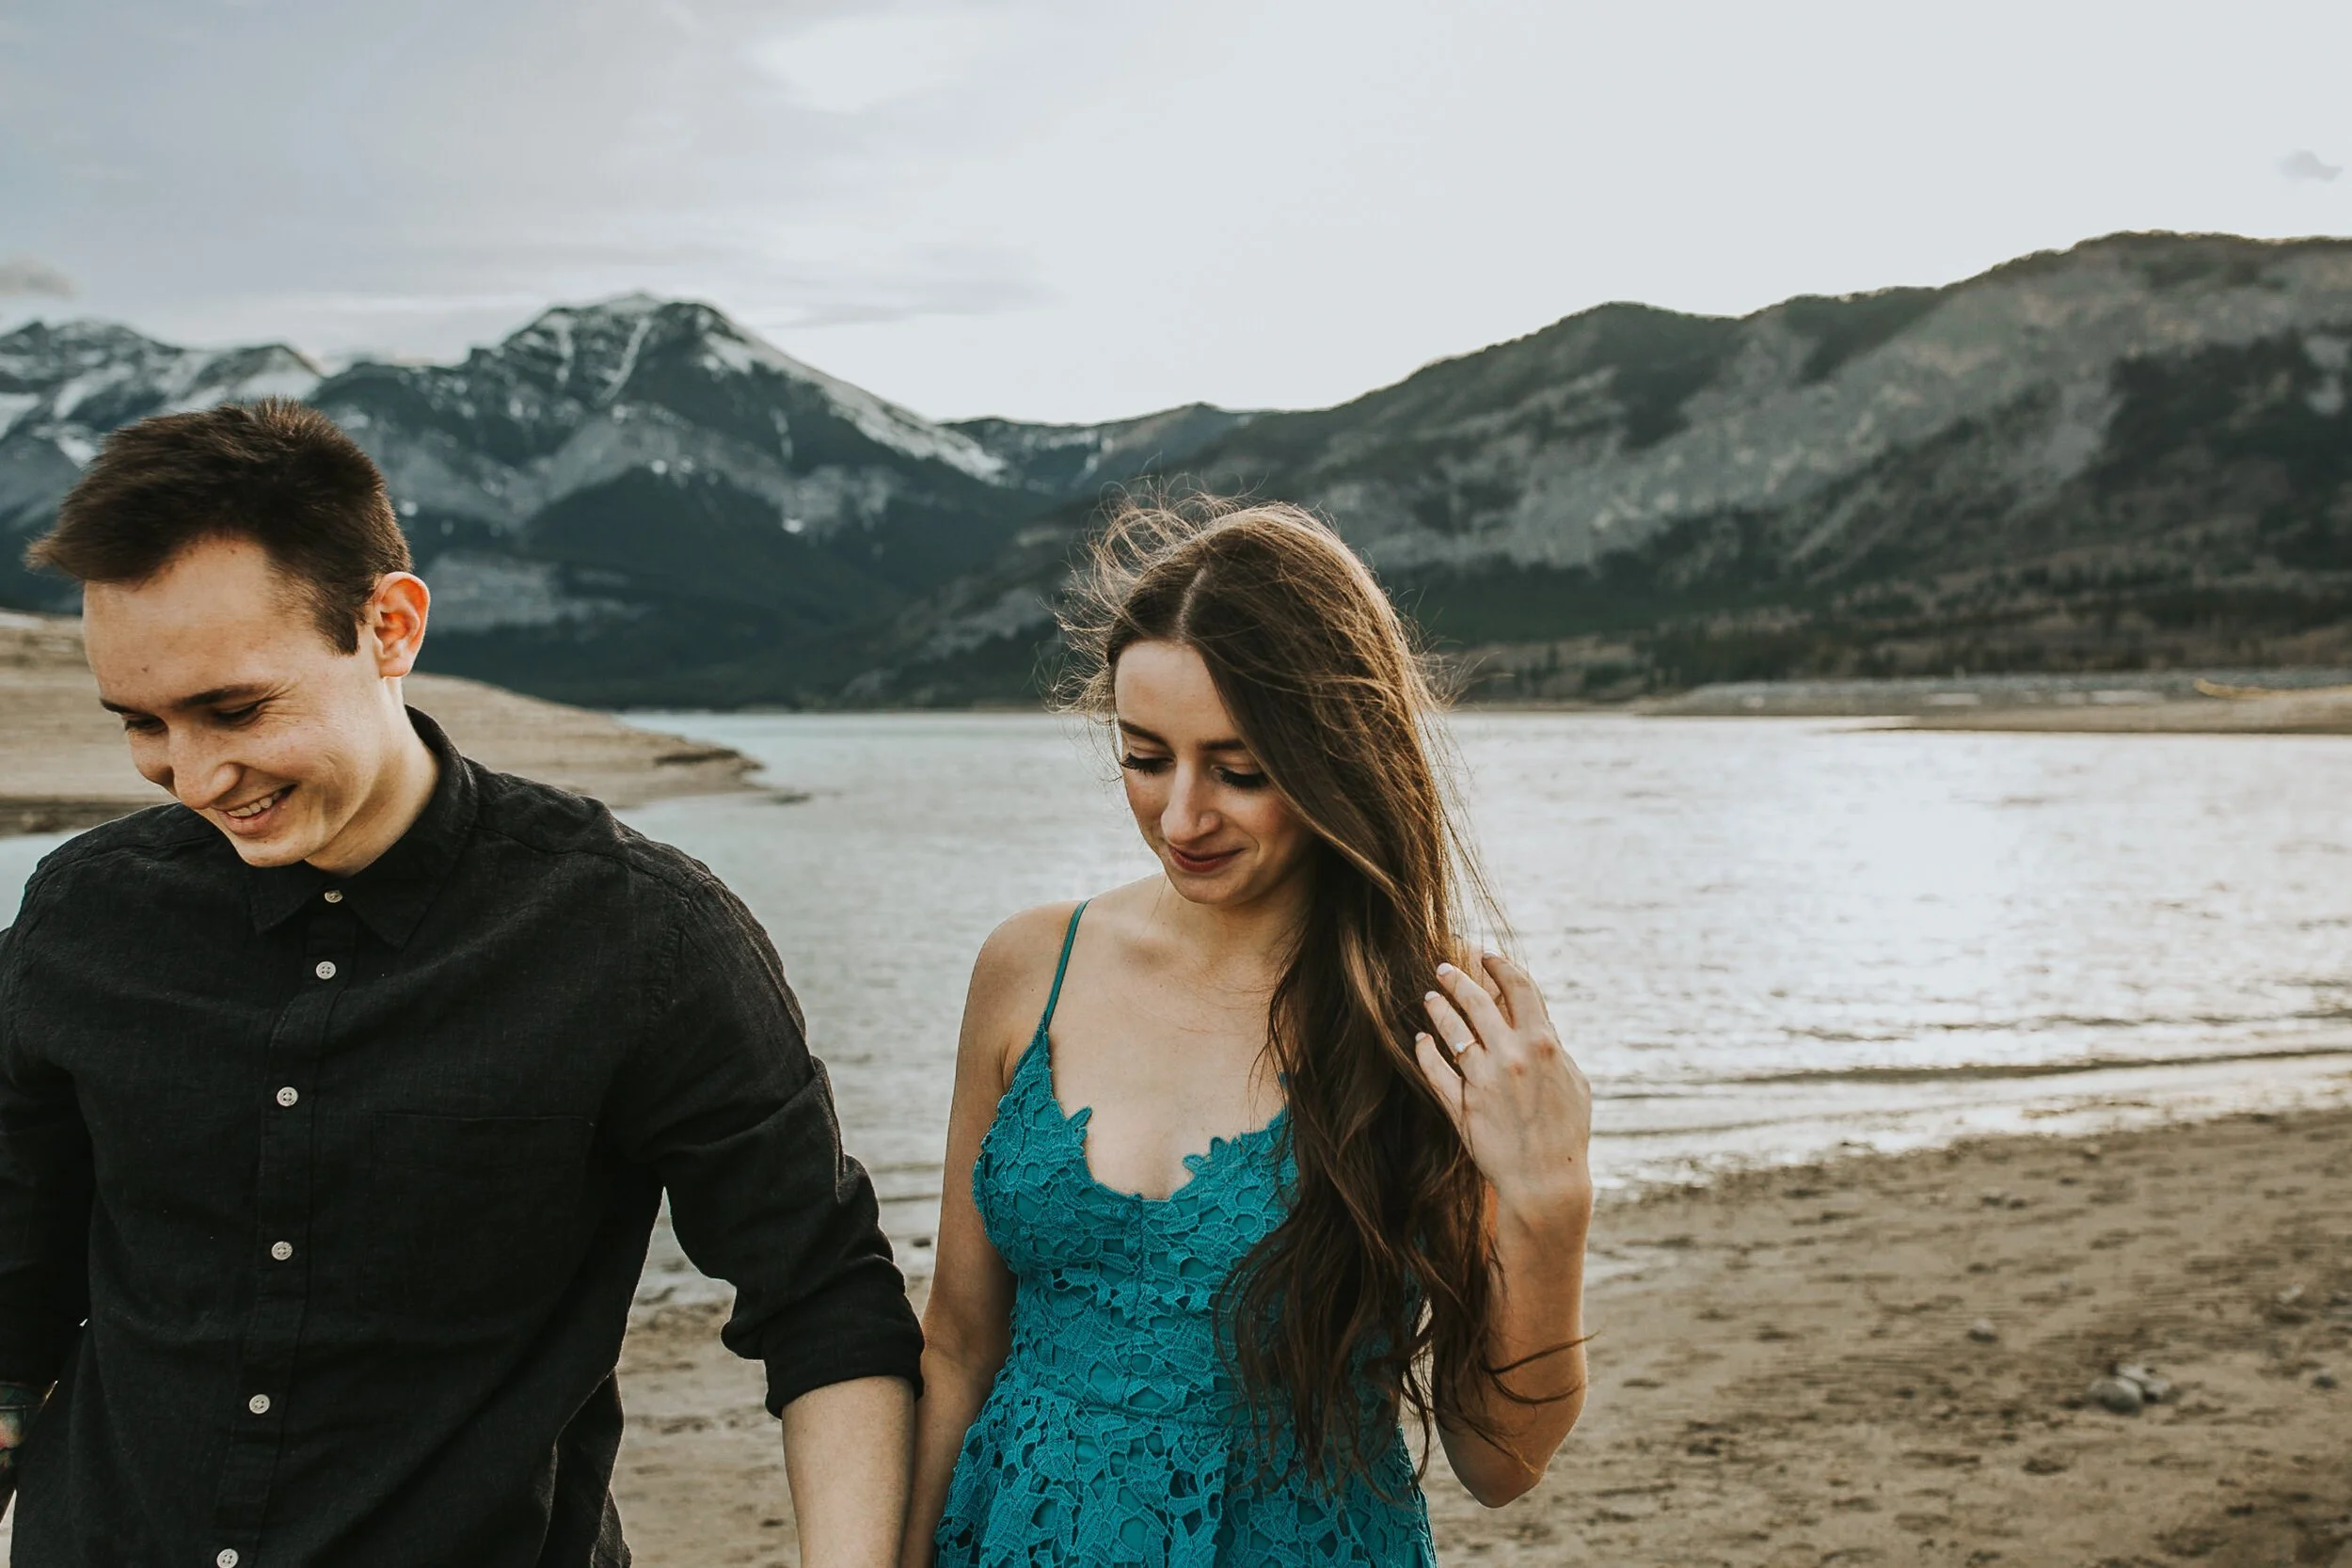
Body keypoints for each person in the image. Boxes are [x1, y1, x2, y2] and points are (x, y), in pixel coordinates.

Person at [0, 400, 920, 1565]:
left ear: (389, 625)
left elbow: (827, 1302)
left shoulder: (642, 934)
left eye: (235, 708)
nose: (192, 772)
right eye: (141, 722)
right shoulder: (82, 910)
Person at [902, 499, 1595, 1565]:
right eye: (1144, 757)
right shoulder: (1028, 968)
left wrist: (1549, 1203)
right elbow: (956, 1342)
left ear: (1340, 756)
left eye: (1239, 770)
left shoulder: (1435, 1020)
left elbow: (1499, 1460)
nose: (1181, 817)